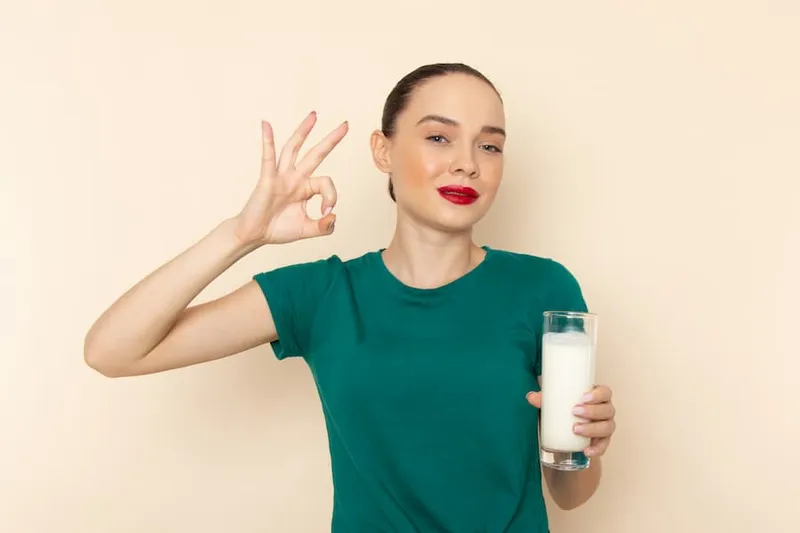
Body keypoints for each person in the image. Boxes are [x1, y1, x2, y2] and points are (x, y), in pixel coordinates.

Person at [84, 62, 617, 532]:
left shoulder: (544, 288)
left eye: (490, 145)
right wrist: (241, 234)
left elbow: (570, 495)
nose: (467, 164)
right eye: (438, 138)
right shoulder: (320, 295)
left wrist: (586, 447)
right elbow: (112, 351)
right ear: (382, 150)